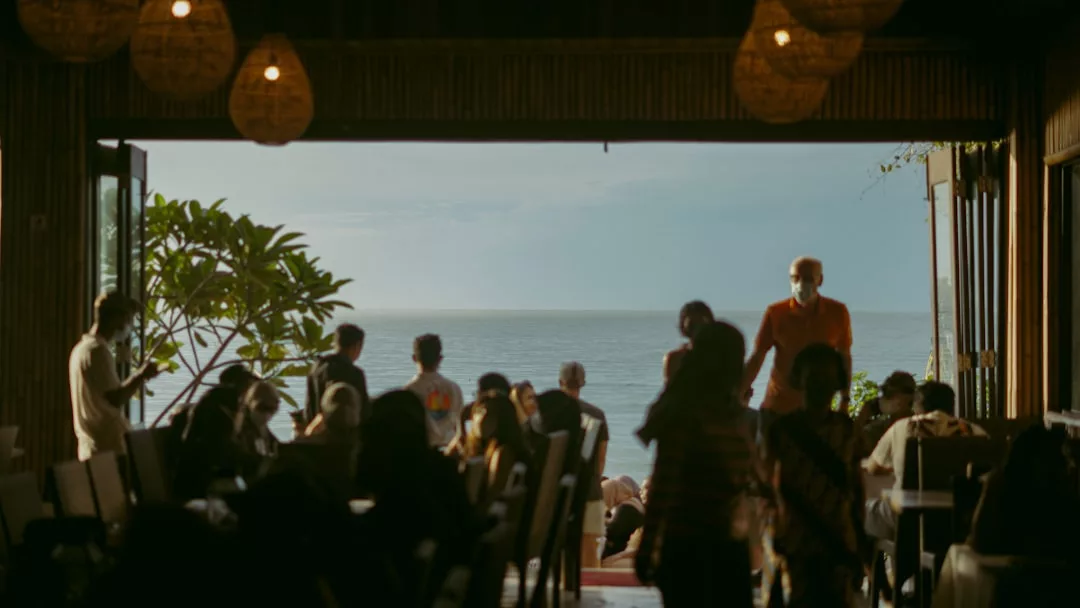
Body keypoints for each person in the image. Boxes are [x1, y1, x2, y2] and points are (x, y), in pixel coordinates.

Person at [635, 321, 762, 607]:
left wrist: (648, 546)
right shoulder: (708, 418)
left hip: (705, 550)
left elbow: (662, 486)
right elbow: (664, 485)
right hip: (698, 553)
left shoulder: (703, 413)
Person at [763, 343, 867, 608]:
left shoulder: (842, 430)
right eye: (815, 378)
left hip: (832, 540)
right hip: (801, 542)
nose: (820, 385)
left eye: (825, 379)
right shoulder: (784, 431)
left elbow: (855, 487)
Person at [741, 257, 853, 439]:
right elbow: (757, 356)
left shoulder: (837, 312)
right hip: (777, 409)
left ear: (820, 280)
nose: (801, 284)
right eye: (795, 278)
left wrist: (845, 400)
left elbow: (844, 357)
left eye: (808, 278)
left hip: (818, 413)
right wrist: (738, 396)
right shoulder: (776, 313)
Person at [863, 381, 986, 541]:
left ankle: (873, 565)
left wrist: (898, 467)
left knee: (862, 511)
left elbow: (873, 468)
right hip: (960, 520)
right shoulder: (974, 431)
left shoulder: (901, 427)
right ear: (951, 407)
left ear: (917, 406)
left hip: (907, 517)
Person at [69, 291, 160, 461]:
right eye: (128, 319)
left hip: (92, 447)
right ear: (116, 318)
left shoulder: (80, 349)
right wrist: (141, 375)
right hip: (109, 449)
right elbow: (115, 398)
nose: (129, 325)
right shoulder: (97, 351)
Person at [560, 361, 609, 569]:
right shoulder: (597, 414)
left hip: (560, 493)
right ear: (583, 384)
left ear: (560, 382)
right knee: (589, 553)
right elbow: (600, 459)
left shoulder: (550, 414)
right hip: (589, 491)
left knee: (561, 553)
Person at [405, 334, 465, 448]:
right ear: (440, 358)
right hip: (449, 450)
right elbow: (459, 427)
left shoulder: (408, 392)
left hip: (420, 451)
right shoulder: (454, 388)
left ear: (414, 358)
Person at [305, 323, 371, 425]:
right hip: (342, 435)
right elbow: (364, 413)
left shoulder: (316, 368)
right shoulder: (354, 373)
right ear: (357, 345)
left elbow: (309, 408)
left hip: (315, 433)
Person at [854, 371, 916, 456]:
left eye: (890, 394)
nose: (885, 398)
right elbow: (855, 446)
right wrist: (862, 418)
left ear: (907, 397)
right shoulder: (878, 428)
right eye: (885, 394)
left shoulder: (919, 426)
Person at [663, 300, 715, 385]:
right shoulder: (674, 358)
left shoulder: (722, 357)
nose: (698, 329)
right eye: (693, 325)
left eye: (701, 324)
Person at [235, 381, 282, 466]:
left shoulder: (265, 430)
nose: (267, 414)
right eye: (262, 408)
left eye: (272, 409)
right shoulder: (240, 430)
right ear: (250, 403)